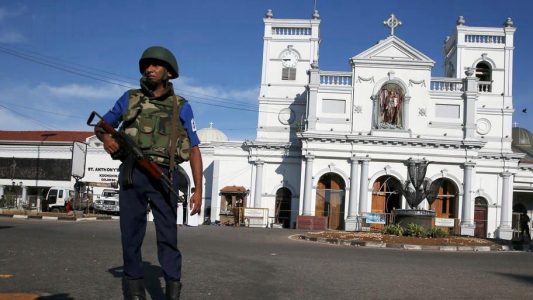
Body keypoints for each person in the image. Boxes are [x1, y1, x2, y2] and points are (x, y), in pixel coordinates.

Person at [95, 46, 203, 300]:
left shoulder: (181, 106)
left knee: (168, 235)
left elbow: (195, 149)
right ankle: (134, 291)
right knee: (130, 234)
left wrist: (198, 189)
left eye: (156, 65)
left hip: (165, 174)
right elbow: (102, 125)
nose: (149, 69)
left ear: (169, 72)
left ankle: (172, 290)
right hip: (133, 172)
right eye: (147, 65)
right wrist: (106, 137)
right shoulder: (129, 98)